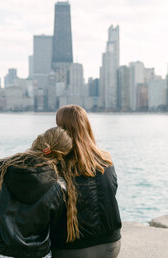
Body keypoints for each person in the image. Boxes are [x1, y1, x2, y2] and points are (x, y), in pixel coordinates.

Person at [0, 127, 79, 258]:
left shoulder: (0, 168)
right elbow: (54, 231)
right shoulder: (59, 187)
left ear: (39, 140)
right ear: (63, 156)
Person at [51, 105, 122, 258]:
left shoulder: (57, 164)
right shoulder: (106, 160)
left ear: (61, 130)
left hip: (73, 249)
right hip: (112, 244)